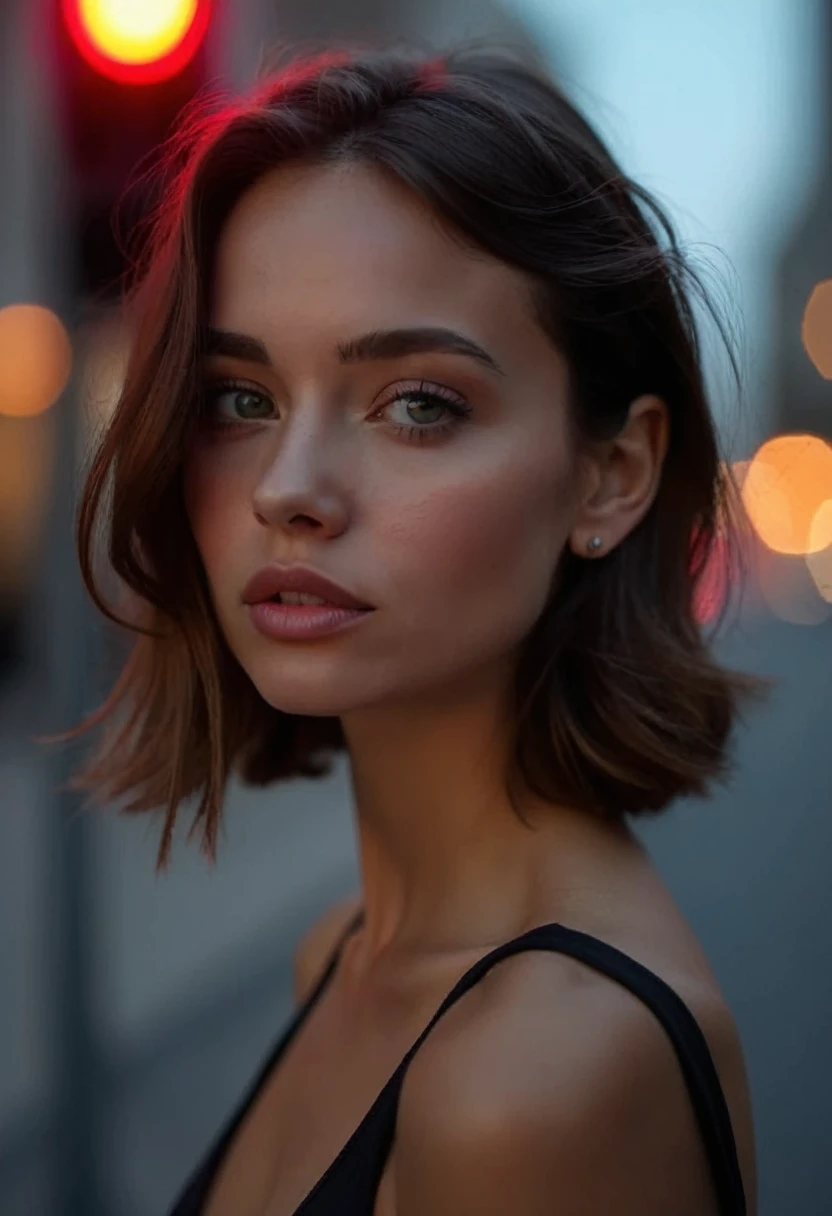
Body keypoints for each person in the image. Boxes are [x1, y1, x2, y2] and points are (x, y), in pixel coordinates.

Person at [62, 42, 761, 1215]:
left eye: (418, 405)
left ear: (611, 474)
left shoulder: (540, 1077)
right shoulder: (345, 952)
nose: (290, 487)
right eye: (242, 399)